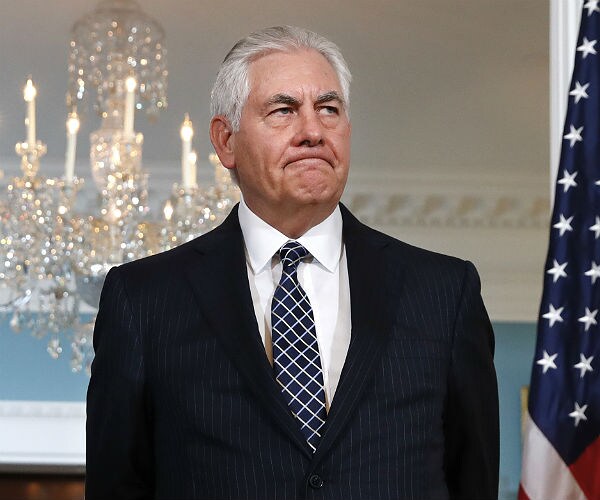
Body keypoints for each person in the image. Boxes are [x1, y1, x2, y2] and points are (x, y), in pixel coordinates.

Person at [86, 25, 499, 500]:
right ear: (226, 141)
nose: (313, 132)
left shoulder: (445, 293)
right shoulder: (144, 300)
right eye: (283, 110)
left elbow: (474, 481)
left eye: (329, 109)